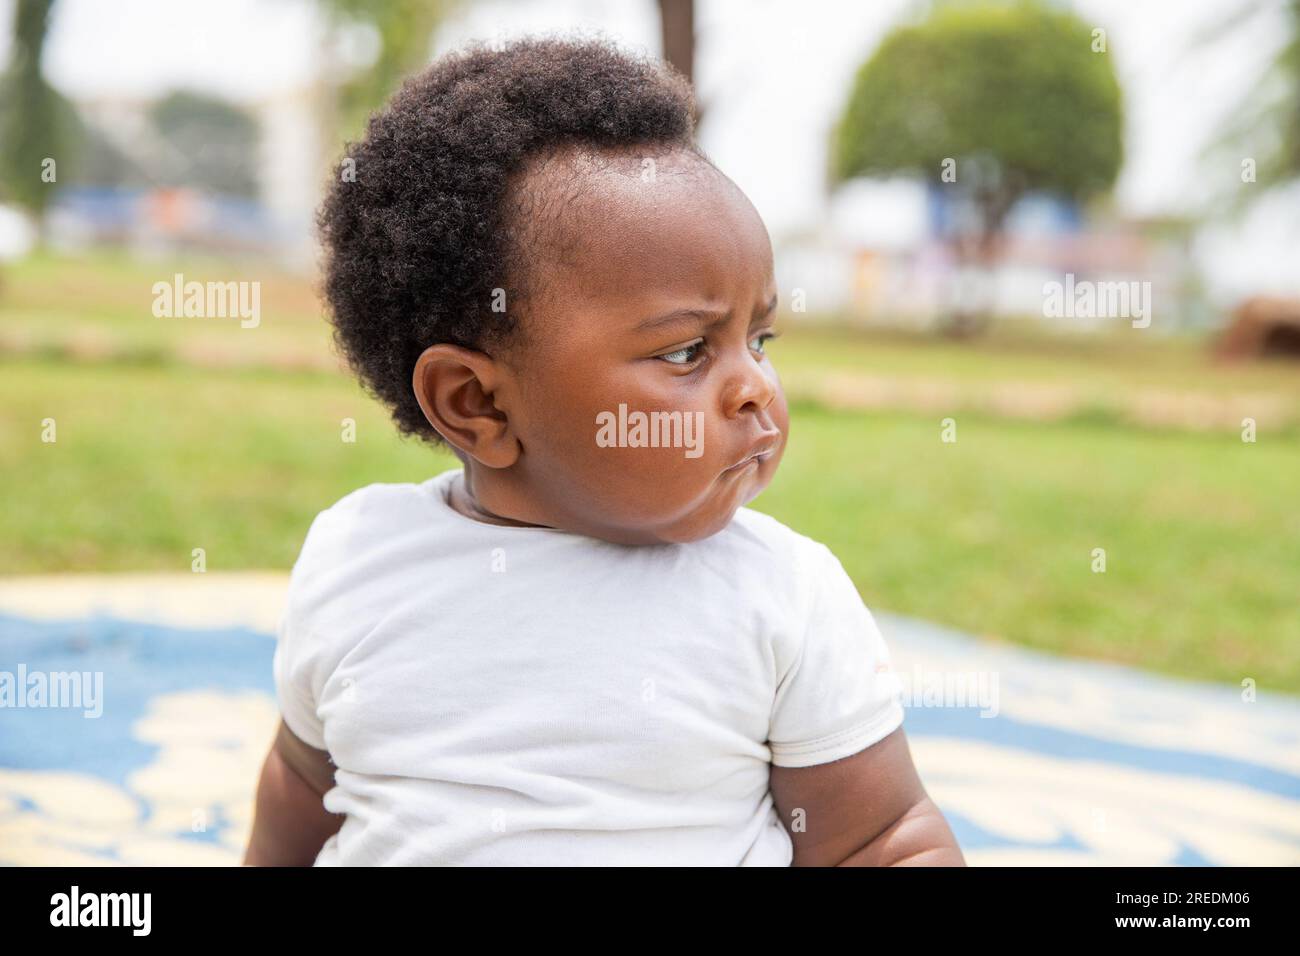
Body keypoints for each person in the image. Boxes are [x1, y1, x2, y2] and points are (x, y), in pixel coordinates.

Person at [243, 35, 963, 866]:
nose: (755, 389)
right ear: (475, 403)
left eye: (758, 340)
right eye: (687, 352)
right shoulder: (358, 560)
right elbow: (300, 785)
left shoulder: (779, 596)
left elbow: (878, 838)